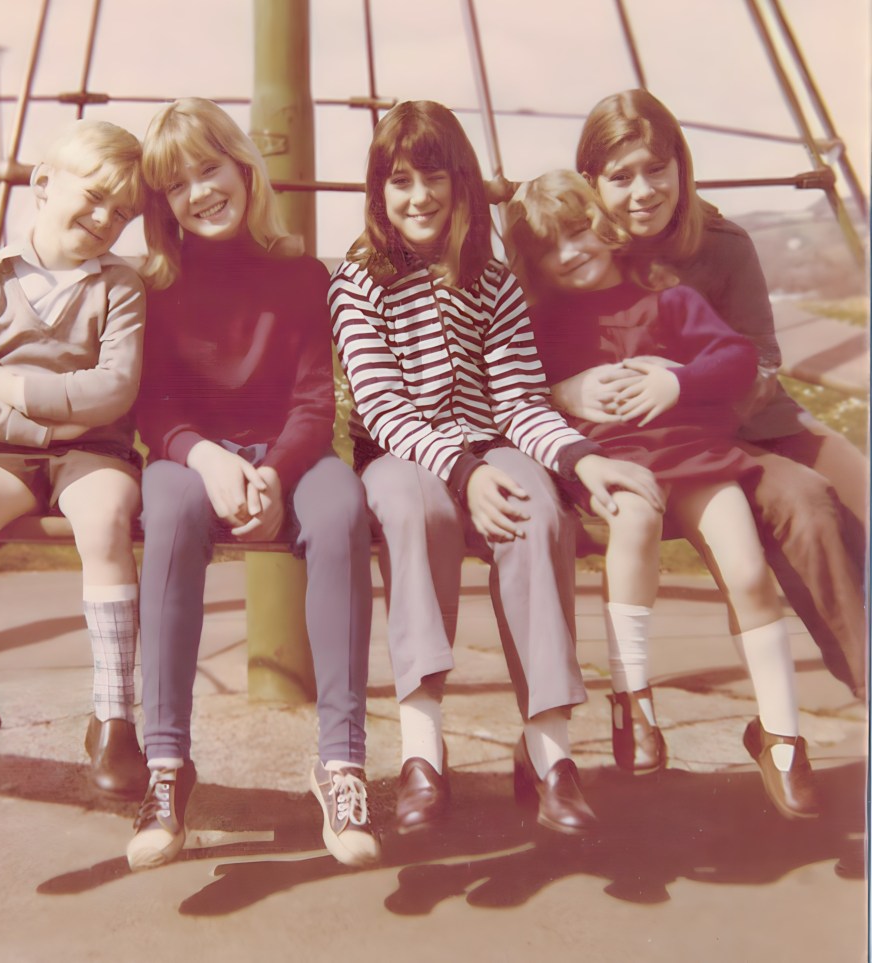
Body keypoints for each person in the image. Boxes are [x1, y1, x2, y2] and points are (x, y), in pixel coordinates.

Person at [329, 100, 664, 838]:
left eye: (435, 177)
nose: (420, 197)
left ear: (462, 181)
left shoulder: (492, 279)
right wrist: (464, 474)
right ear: (379, 192)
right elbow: (382, 407)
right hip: (401, 452)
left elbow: (517, 401)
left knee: (539, 510)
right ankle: (422, 751)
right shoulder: (360, 281)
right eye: (400, 181)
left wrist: (582, 458)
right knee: (417, 511)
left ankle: (550, 752)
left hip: (489, 438)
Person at [502, 169, 820, 819]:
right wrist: (565, 393)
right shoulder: (541, 323)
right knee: (635, 520)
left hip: (695, 456)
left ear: (603, 225)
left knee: (747, 570)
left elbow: (736, 359)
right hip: (614, 463)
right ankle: (633, 698)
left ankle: (782, 733)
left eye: (577, 231)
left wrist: (678, 379)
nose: (570, 252)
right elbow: (517, 396)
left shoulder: (666, 297)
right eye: (549, 248)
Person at [126, 98, 379, 872]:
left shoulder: (299, 274)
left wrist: (272, 472)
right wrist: (206, 458)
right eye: (177, 184)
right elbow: (155, 405)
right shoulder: (157, 283)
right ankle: (166, 765)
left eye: (210, 170)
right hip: (196, 458)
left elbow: (314, 401)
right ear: (162, 204)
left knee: (341, 507)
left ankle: (341, 763)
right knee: (168, 509)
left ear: (243, 168)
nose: (200, 193)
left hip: (288, 457)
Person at [567, 89, 867, 700]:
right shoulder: (581, 256)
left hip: (753, 415)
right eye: (621, 177)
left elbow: (762, 357)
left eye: (657, 169)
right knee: (807, 504)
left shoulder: (723, 243)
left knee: (858, 485)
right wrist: (564, 389)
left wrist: (683, 380)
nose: (643, 191)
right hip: (675, 444)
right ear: (591, 182)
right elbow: (532, 348)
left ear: (681, 165)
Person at [0, 119, 149, 800]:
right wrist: (46, 430)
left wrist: (19, 390)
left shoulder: (120, 286)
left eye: (124, 212)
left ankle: (113, 716)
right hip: (15, 452)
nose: (107, 219)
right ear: (44, 184)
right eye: (97, 197)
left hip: (99, 451)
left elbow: (115, 390)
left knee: (104, 520)